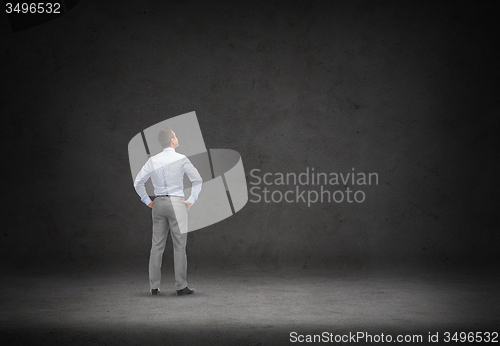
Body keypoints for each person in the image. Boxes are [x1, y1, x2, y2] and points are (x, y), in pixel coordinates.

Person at [134, 126, 202, 296]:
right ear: (172, 140)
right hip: (177, 203)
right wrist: (192, 199)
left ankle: (154, 287)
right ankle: (181, 286)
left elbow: (138, 183)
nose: (177, 138)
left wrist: (148, 201)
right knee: (179, 246)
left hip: (158, 203)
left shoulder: (153, 160)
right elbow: (197, 179)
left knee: (156, 246)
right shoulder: (182, 158)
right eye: (175, 136)